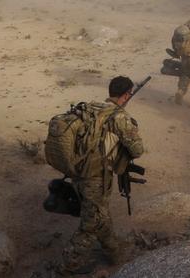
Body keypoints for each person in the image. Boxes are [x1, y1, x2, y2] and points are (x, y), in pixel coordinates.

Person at [56, 76, 144, 275]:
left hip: (78, 171)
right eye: (129, 94)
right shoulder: (119, 117)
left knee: (100, 214)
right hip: (96, 177)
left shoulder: (92, 107)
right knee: (90, 226)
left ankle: (115, 253)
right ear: (126, 95)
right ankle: (66, 269)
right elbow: (137, 150)